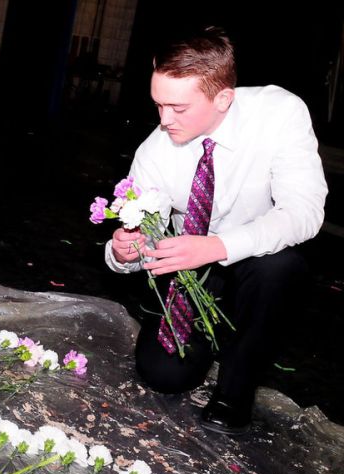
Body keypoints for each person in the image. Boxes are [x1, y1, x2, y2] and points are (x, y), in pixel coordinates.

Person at [104, 26, 327, 434]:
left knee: (281, 267)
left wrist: (218, 245)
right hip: (193, 273)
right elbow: (143, 239)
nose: (164, 120)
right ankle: (212, 334)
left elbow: (305, 212)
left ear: (223, 98)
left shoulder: (280, 114)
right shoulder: (156, 149)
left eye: (178, 108)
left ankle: (235, 390)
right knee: (163, 376)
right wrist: (123, 252)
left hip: (256, 258)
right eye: (158, 105)